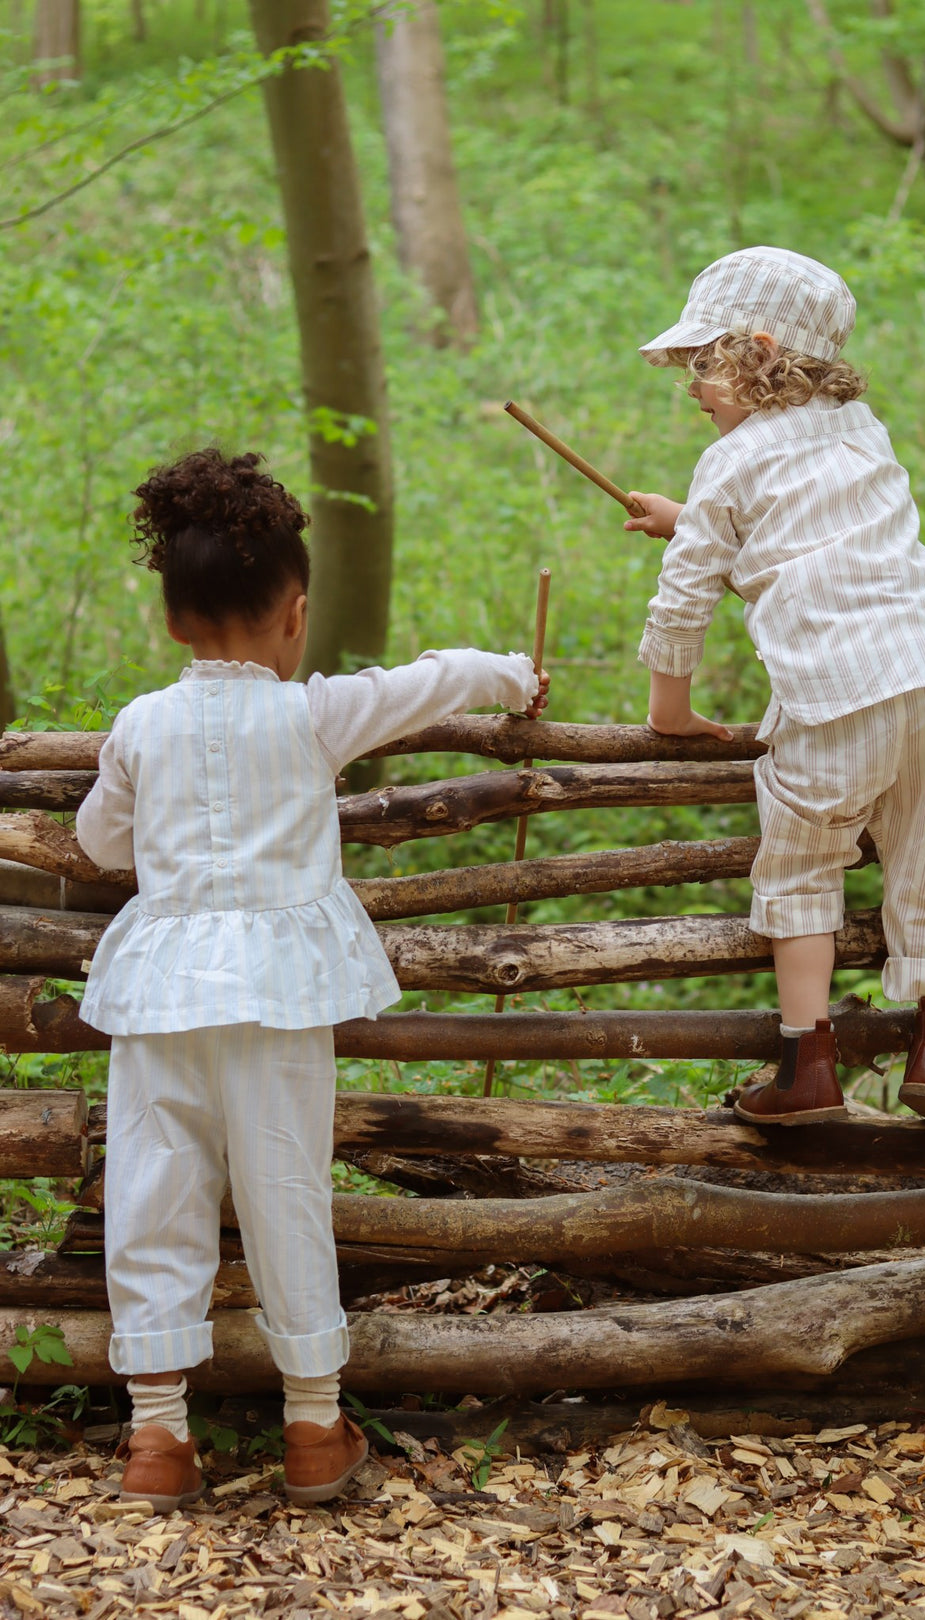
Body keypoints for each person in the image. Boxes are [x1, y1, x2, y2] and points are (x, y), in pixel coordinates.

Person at [76, 447, 550, 1512]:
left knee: (153, 1193)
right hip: (280, 997)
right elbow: (432, 681)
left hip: (161, 998)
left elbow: (102, 844)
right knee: (286, 1192)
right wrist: (515, 677)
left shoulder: (140, 725)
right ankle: (312, 1422)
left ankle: (157, 1440)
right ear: (295, 613)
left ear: (170, 621)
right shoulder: (314, 715)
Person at [624, 245, 925, 1128]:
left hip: (832, 695)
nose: (693, 387)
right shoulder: (865, 432)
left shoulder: (729, 464)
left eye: (704, 364)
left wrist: (668, 712)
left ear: (758, 349)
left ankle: (808, 1066)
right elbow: (806, 534)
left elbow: (686, 599)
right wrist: (690, 520)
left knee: (801, 865)